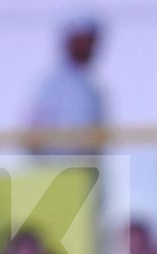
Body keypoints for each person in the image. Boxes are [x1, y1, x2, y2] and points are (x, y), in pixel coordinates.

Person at [25, 13, 106, 156]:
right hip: (57, 170)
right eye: (81, 42)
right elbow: (33, 134)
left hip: (85, 170)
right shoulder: (52, 86)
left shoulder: (93, 90)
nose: (86, 47)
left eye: (90, 42)